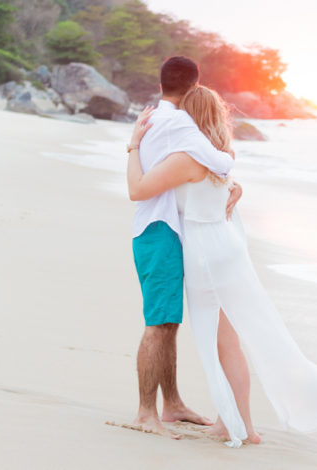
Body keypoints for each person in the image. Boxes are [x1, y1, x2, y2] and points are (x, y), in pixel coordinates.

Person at [127, 85, 317, 448]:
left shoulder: (186, 158)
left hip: (204, 254)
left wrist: (132, 145)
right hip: (228, 248)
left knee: (214, 343)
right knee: (231, 342)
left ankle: (231, 422)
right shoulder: (221, 156)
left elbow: (140, 189)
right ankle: (240, 423)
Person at [127, 56, 242, 439]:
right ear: (194, 86)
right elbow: (220, 161)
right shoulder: (179, 123)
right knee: (159, 323)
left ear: (161, 84)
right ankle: (146, 412)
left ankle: (172, 404)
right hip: (159, 230)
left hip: (161, 230)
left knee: (168, 321)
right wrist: (232, 173)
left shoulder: (153, 119)